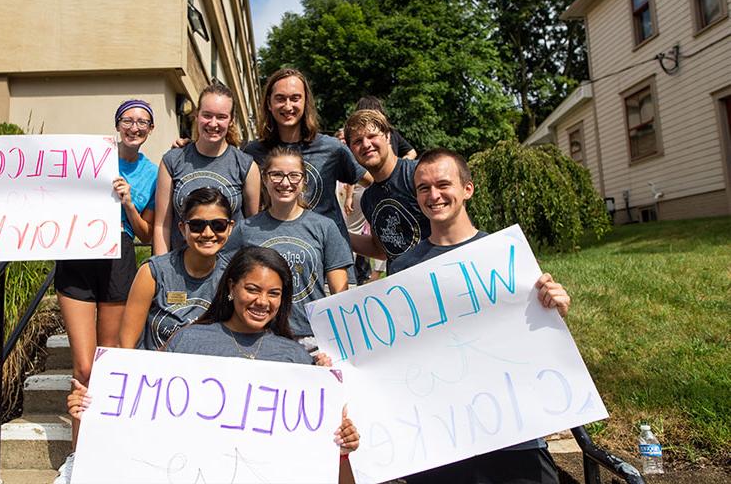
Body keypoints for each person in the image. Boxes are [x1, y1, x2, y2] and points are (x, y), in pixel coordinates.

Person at [0, 100, 159, 484]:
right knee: (85, 366)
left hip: (118, 257)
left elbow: (146, 233)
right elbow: (23, 186)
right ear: (117, 124)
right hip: (76, 255)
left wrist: (127, 203)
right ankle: (80, 455)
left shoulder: (151, 173)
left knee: (109, 366)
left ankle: (110, 451)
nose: (135, 126)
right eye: (128, 119)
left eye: (143, 122)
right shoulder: (83, 157)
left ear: (150, 130)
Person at [68, 246, 360, 483]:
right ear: (231, 287)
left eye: (274, 293)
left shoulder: (296, 358)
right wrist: (88, 417)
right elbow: (136, 435)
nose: (262, 301)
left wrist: (341, 448)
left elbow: (325, 471)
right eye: (252, 289)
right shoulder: (188, 342)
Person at [390, 148, 570, 484]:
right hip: (441, 439)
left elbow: (533, 333)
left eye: (443, 184)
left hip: (515, 434)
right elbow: (392, 355)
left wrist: (555, 310)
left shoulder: (506, 254)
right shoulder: (404, 269)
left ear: (467, 189)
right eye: (423, 188)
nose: (434, 195)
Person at [243, 68, 370, 282]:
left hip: (330, 267)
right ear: (268, 103)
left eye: (295, 98)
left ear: (306, 102)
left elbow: (374, 182)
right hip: (274, 266)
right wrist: (189, 148)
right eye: (280, 99)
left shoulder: (332, 149)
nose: (288, 106)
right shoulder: (252, 153)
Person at [238, 146, 352, 343]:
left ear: (304, 181)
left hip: (312, 337)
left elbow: (340, 293)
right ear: (264, 179)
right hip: (258, 336)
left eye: (294, 176)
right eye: (276, 175)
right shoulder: (245, 229)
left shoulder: (325, 227)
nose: (285, 182)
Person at [119, 187, 234, 351]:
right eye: (196, 225)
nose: (208, 233)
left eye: (218, 225)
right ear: (182, 228)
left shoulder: (234, 277)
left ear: (230, 228)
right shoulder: (153, 273)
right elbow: (126, 344)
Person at [153, 82, 260, 254]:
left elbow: (252, 228)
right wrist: (161, 270)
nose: (213, 123)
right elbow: (162, 225)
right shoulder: (173, 161)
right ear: (196, 115)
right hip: (180, 271)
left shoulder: (246, 166)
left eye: (221, 117)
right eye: (207, 115)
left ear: (231, 120)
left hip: (228, 271)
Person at [344, 109, 430, 274]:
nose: (366, 144)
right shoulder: (368, 199)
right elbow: (381, 251)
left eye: (372, 136)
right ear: (351, 150)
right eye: (357, 141)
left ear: (388, 136)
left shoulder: (417, 174)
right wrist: (336, 232)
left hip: (437, 280)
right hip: (402, 288)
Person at [354, 95, 417, 160]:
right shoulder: (391, 132)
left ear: (387, 137)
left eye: (372, 136)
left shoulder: (392, 132)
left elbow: (411, 152)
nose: (366, 144)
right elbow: (412, 153)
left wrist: (399, 166)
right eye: (359, 141)